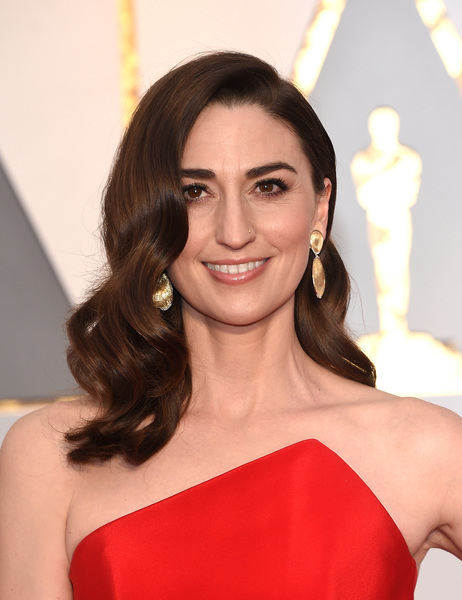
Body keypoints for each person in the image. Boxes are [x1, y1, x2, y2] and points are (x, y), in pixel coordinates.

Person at [0, 51, 461, 599]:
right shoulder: (52, 456)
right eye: (195, 192)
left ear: (320, 207)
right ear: (151, 218)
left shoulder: (424, 449)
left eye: (268, 187)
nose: (235, 231)